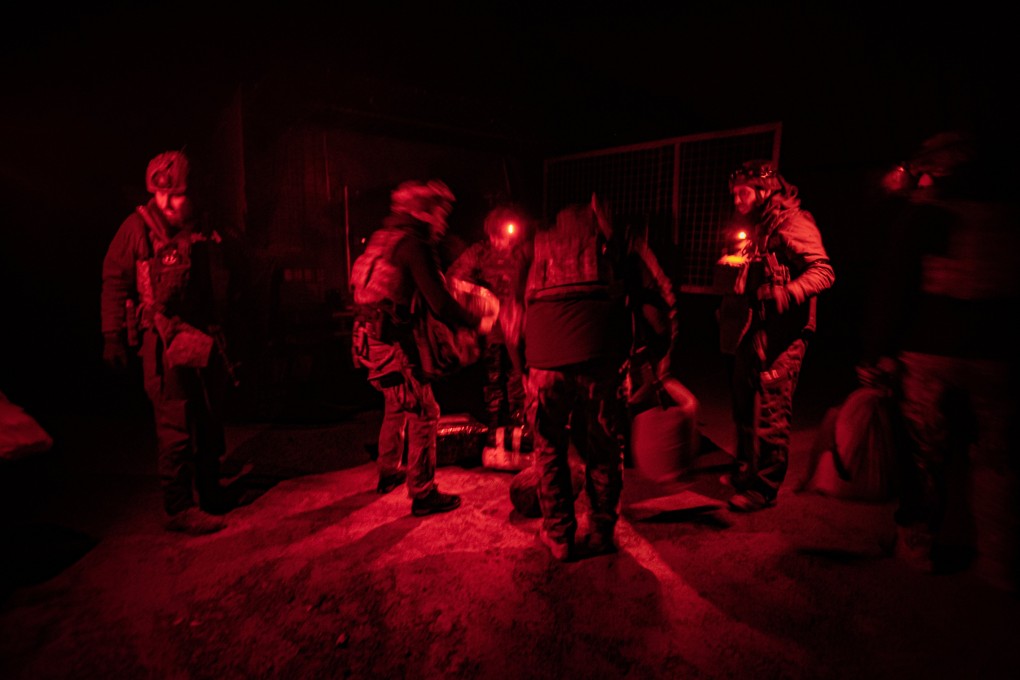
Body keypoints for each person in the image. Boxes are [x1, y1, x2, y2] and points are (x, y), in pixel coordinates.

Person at [859, 131, 1020, 587]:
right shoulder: (1008, 215)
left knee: (924, 454)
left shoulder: (925, 214)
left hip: (930, 354)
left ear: (938, 169)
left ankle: (918, 545)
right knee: (997, 457)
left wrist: (877, 352)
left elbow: (894, 288)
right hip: (998, 358)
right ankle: (1000, 559)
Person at [524, 194, 678, 561]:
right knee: (604, 447)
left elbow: (513, 309)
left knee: (549, 447)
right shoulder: (621, 241)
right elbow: (660, 298)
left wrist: (524, 366)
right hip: (602, 359)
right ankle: (601, 533)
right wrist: (657, 359)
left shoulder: (537, 245)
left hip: (545, 362)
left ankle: (559, 536)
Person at [101, 149, 237, 535]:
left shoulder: (206, 229)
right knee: (175, 423)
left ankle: (210, 491)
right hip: (161, 341)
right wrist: (112, 337)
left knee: (210, 417)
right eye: (161, 194)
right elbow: (114, 281)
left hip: (204, 339)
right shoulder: (136, 229)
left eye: (176, 194)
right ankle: (179, 507)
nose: (167, 202)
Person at [350, 179, 487, 516]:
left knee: (397, 406)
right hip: (389, 343)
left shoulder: (385, 239)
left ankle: (388, 472)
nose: (443, 222)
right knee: (425, 411)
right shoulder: (416, 244)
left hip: (367, 339)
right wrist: (475, 322)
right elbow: (439, 302)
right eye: (440, 213)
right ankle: (423, 493)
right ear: (424, 213)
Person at [718, 159, 835, 512]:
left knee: (772, 407)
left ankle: (764, 487)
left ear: (765, 190)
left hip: (786, 333)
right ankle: (745, 468)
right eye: (734, 194)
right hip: (758, 327)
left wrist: (788, 293)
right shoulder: (761, 225)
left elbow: (824, 271)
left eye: (743, 193)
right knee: (741, 393)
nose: (737, 200)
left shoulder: (794, 222)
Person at [446, 203, 532, 451]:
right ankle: (495, 432)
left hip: (519, 328)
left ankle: (520, 433)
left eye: (504, 234)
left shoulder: (523, 252)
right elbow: (454, 277)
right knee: (494, 381)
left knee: (519, 380)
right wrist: (481, 296)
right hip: (493, 329)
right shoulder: (480, 253)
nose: (500, 241)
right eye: (495, 235)